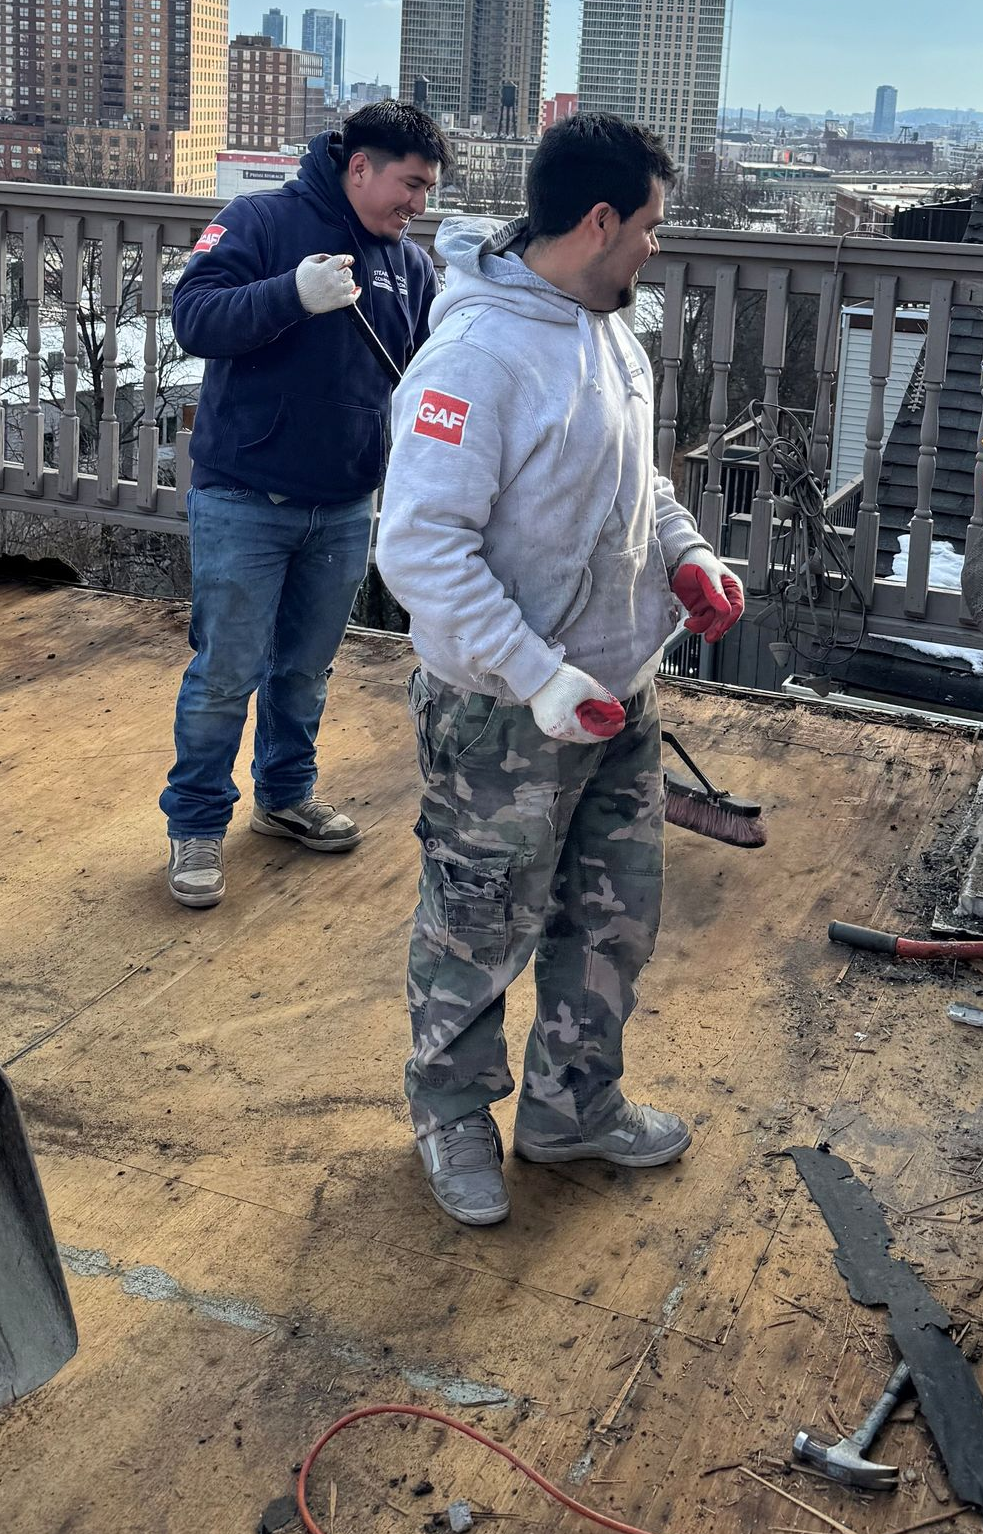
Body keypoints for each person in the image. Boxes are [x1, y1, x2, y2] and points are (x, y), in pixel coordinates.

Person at [376, 113, 746, 1226]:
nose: (655, 248)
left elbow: (641, 485)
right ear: (597, 221)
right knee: (476, 924)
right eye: (649, 227)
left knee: (611, 915)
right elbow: (418, 548)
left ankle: (571, 1107)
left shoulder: (612, 333)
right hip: (504, 715)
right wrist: (536, 675)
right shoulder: (478, 357)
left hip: (615, 696)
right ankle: (451, 1118)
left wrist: (686, 555)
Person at [161, 102, 452, 909]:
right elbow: (194, 318)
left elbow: (426, 372)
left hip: (345, 502)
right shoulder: (260, 220)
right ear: (360, 166)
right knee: (225, 674)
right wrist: (290, 293)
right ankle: (194, 825)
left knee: (305, 671)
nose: (417, 204)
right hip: (245, 496)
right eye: (411, 184)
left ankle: (285, 796)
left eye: (428, 190)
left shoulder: (411, 264)